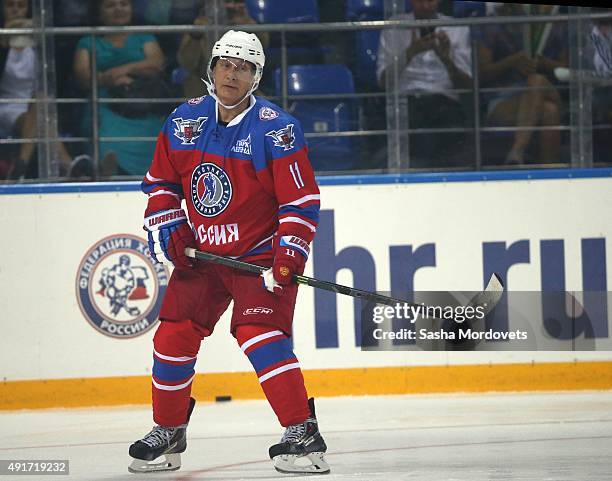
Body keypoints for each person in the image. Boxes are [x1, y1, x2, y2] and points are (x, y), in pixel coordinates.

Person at [128, 30, 329, 475]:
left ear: (256, 77)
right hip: (202, 257)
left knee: (260, 335)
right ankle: (169, 429)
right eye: (225, 64)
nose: (231, 73)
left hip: (257, 257)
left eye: (243, 67)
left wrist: (288, 256)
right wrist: (171, 225)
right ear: (211, 69)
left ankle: (302, 432)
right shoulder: (185, 121)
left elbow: (300, 202)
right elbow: (160, 183)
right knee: (173, 336)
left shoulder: (277, 129)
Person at [73, 0, 166, 176]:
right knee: (102, 128)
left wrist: (123, 71)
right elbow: (83, 77)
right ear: (99, 12)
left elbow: (157, 63)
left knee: (159, 129)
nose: (119, 9)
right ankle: (109, 171)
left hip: (142, 100)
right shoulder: (88, 40)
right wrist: (110, 80)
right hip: (105, 101)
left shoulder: (143, 36)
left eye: (124, 4)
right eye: (110, 5)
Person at [376, 0, 472, 168]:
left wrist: (446, 59)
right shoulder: (393, 28)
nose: (426, 6)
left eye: (430, 0)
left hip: (444, 101)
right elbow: (384, 82)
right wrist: (410, 52)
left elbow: (467, 86)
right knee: (413, 130)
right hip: (407, 100)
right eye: (421, 0)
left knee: (446, 130)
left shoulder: (457, 28)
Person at [478, 3, 568, 165]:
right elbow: (481, 73)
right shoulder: (493, 23)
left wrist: (544, 63)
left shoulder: (559, 22)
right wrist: (512, 61)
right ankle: (549, 178)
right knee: (549, 111)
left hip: (550, 90)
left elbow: (568, 70)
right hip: (504, 100)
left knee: (537, 81)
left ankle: (517, 150)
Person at [176, 0, 268, 99]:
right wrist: (196, 35)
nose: (230, 6)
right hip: (203, 85)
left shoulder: (244, 22)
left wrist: (248, 26)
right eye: (227, 2)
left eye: (235, 2)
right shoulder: (200, 25)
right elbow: (186, 63)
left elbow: (263, 48)